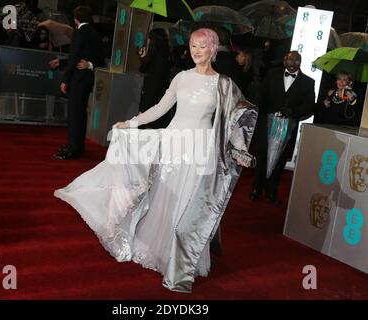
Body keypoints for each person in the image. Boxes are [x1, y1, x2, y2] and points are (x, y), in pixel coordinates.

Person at [54, 28, 258, 292]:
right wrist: (131, 123)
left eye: (202, 46)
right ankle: (160, 251)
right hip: (174, 144)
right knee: (166, 198)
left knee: (189, 204)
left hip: (200, 150)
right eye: (193, 46)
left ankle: (181, 259)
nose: (196, 51)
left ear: (213, 49)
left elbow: (238, 116)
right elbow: (161, 108)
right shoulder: (182, 78)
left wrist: (239, 149)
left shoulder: (224, 84)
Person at [251, 51, 315, 204]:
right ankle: (256, 188)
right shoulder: (272, 74)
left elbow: (310, 106)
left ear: (299, 62)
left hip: (288, 126)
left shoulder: (308, 82)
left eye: (294, 59)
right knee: (262, 156)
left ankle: (271, 190)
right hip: (267, 123)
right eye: (288, 58)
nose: (290, 61)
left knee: (279, 159)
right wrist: (263, 112)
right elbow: (261, 94)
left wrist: (293, 112)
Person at [53, 5, 105, 160]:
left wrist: (65, 80)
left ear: (75, 18)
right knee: (80, 113)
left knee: (74, 114)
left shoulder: (79, 33)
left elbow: (74, 57)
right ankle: (77, 145)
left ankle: (73, 148)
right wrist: (89, 65)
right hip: (87, 79)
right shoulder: (95, 34)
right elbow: (100, 57)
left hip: (77, 79)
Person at [137, 28, 172, 129]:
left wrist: (143, 109)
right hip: (158, 100)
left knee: (147, 131)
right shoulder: (162, 55)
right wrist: (144, 57)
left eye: (149, 38)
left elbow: (153, 84)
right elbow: (143, 69)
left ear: (153, 40)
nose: (147, 40)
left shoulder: (158, 58)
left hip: (152, 102)